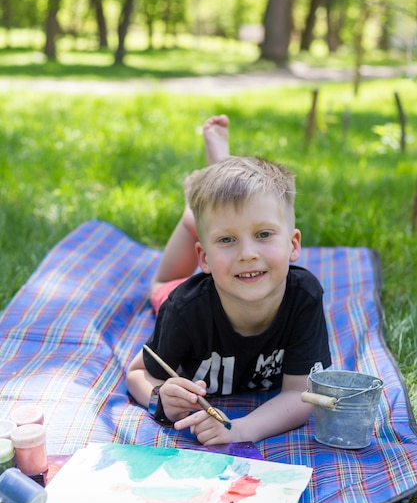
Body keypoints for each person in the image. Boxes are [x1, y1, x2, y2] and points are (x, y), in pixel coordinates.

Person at [126, 115, 331, 445]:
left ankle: (214, 193)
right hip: (190, 291)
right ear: (202, 258)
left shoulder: (303, 297)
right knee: (163, 284)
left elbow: (301, 394)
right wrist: (160, 398)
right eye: (227, 242)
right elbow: (137, 373)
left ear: (293, 245)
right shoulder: (184, 308)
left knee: (228, 211)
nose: (248, 254)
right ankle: (195, 214)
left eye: (264, 234)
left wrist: (243, 428)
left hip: (222, 274)